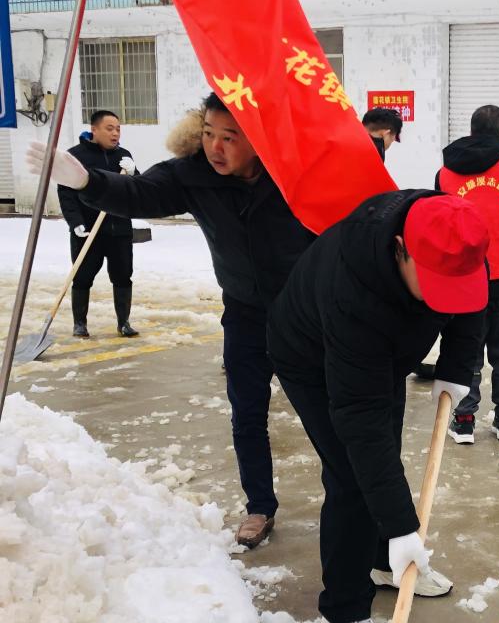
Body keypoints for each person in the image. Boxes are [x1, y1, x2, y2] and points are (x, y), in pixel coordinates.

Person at [30, 93, 313, 550]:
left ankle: (354, 504)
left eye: (229, 138)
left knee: (323, 414)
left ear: (260, 141)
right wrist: (85, 181)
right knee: (247, 412)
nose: (215, 148)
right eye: (207, 135)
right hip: (244, 312)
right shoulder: (194, 173)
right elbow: (141, 193)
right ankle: (260, 505)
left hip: (304, 315)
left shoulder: (293, 174)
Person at [267, 191, 488, 623]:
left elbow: (472, 303)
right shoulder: (353, 287)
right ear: (402, 248)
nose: (445, 299)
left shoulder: (458, 234)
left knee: (380, 458)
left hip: (383, 350)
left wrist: (457, 365)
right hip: (313, 356)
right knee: (352, 472)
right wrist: (404, 525)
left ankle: (385, 561)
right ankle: (343, 610)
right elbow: (360, 420)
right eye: (434, 284)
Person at [437, 104, 499, 443]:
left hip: (466, 277)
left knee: (466, 350)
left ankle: (464, 420)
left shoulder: (445, 172)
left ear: (471, 132)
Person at [61, 110, 140, 339]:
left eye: (118, 128)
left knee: (123, 275)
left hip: (119, 229)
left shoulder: (124, 156)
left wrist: (134, 173)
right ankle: (80, 324)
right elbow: (66, 192)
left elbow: (139, 189)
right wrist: (75, 222)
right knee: (83, 276)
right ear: (94, 129)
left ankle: (123, 322)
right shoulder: (75, 156)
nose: (115, 133)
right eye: (109, 128)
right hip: (88, 230)